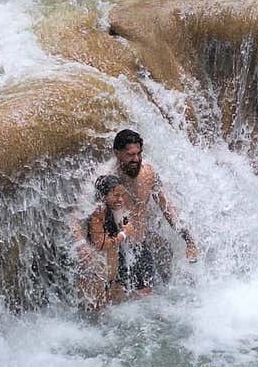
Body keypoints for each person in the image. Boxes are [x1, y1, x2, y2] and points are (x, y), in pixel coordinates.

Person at [105, 128, 198, 295]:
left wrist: (188, 240)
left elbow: (166, 207)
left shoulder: (148, 173)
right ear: (117, 153)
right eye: (130, 155)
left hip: (140, 247)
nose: (136, 159)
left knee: (146, 299)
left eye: (138, 154)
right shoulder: (107, 179)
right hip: (116, 250)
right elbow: (86, 215)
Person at [71, 175, 132, 310]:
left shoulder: (115, 210)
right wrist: (122, 235)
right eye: (116, 195)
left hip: (110, 277)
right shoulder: (98, 213)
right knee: (95, 321)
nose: (120, 199)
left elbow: (128, 223)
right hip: (95, 277)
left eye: (122, 195)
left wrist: (126, 227)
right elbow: (100, 244)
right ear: (104, 196)